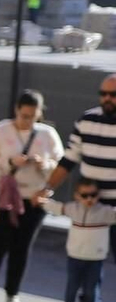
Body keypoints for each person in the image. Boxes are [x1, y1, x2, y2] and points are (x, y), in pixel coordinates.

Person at [0, 90, 63, 302]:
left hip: (33, 199)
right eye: (24, 116)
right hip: (4, 199)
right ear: (16, 110)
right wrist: (10, 162)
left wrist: (44, 164)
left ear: (39, 114)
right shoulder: (0, 130)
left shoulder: (47, 134)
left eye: (32, 117)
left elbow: (60, 165)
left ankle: (12, 295)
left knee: (21, 249)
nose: (27, 121)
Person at [41, 74, 116, 258]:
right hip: (89, 204)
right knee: (86, 260)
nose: (107, 98)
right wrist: (47, 188)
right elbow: (68, 160)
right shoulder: (86, 120)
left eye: (113, 94)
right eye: (103, 94)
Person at [40, 180, 116, 302]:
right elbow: (57, 208)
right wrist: (42, 199)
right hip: (75, 256)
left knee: (91, 290)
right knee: (72, 288)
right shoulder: (72, 208)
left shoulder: (106, 212)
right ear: (77, 196)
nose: (89, 199)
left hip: (95, 258)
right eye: (85, 195)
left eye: (93, 195)